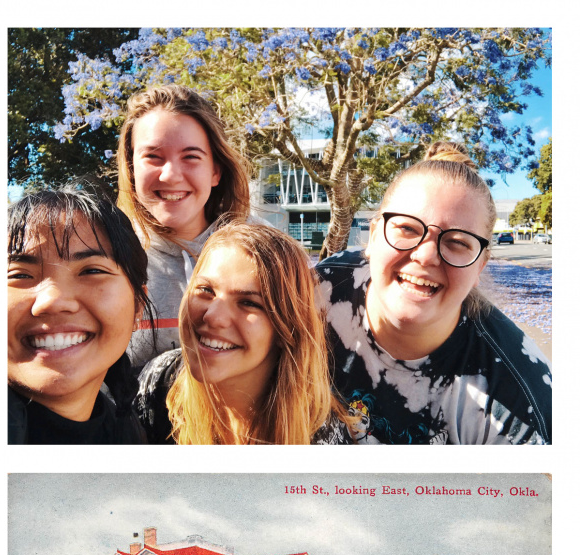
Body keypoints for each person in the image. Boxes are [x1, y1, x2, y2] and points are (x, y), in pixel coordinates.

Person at [316, 141, 552, 444]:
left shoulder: (517, 401)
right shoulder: (319, 290)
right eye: (407, 229)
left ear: (480, 265)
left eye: (457, 241)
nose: (426, 256)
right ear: (374, 237)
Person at [135, 222, 352, 444]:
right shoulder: (157, 383)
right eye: (205, 290)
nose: (213, 316)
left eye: (249, 302)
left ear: (287, 328)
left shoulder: (321, 439)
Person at [117, 84, 251, 368]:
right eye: (153, 157)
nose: (171, 175)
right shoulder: (106, 258)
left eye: (191, 157)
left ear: (215, 171)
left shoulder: (263, 254)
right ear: (131, 168)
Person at [8, 186, 154, 444]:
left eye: (91, 271)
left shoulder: (129, 433)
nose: (52, 301)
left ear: (138, 306)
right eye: (20, 275)